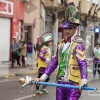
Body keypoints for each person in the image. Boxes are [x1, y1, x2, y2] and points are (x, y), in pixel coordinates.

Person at [23, 3, 88, 100]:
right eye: (65, 28)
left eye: (70, 28)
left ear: (75, 28)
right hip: (60, 83)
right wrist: (43, 77)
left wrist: (84, 79)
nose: (67, 31)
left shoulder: (78, 44)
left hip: (73, 83)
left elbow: (82, 62)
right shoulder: (61, 44)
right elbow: (54, 62)